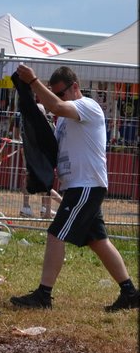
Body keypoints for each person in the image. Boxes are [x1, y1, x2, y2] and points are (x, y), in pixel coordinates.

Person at [10, 64, 139, 312]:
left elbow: (57, 107)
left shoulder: (87, 107)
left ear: (75, 87)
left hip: (86, 185)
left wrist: (34, 82)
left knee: (56, 233)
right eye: (55, 93)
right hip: (78, 187)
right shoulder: (63, 122)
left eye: (62, 93)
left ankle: (43, 295)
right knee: (98, 241)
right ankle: (130, 293)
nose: (58, 99)